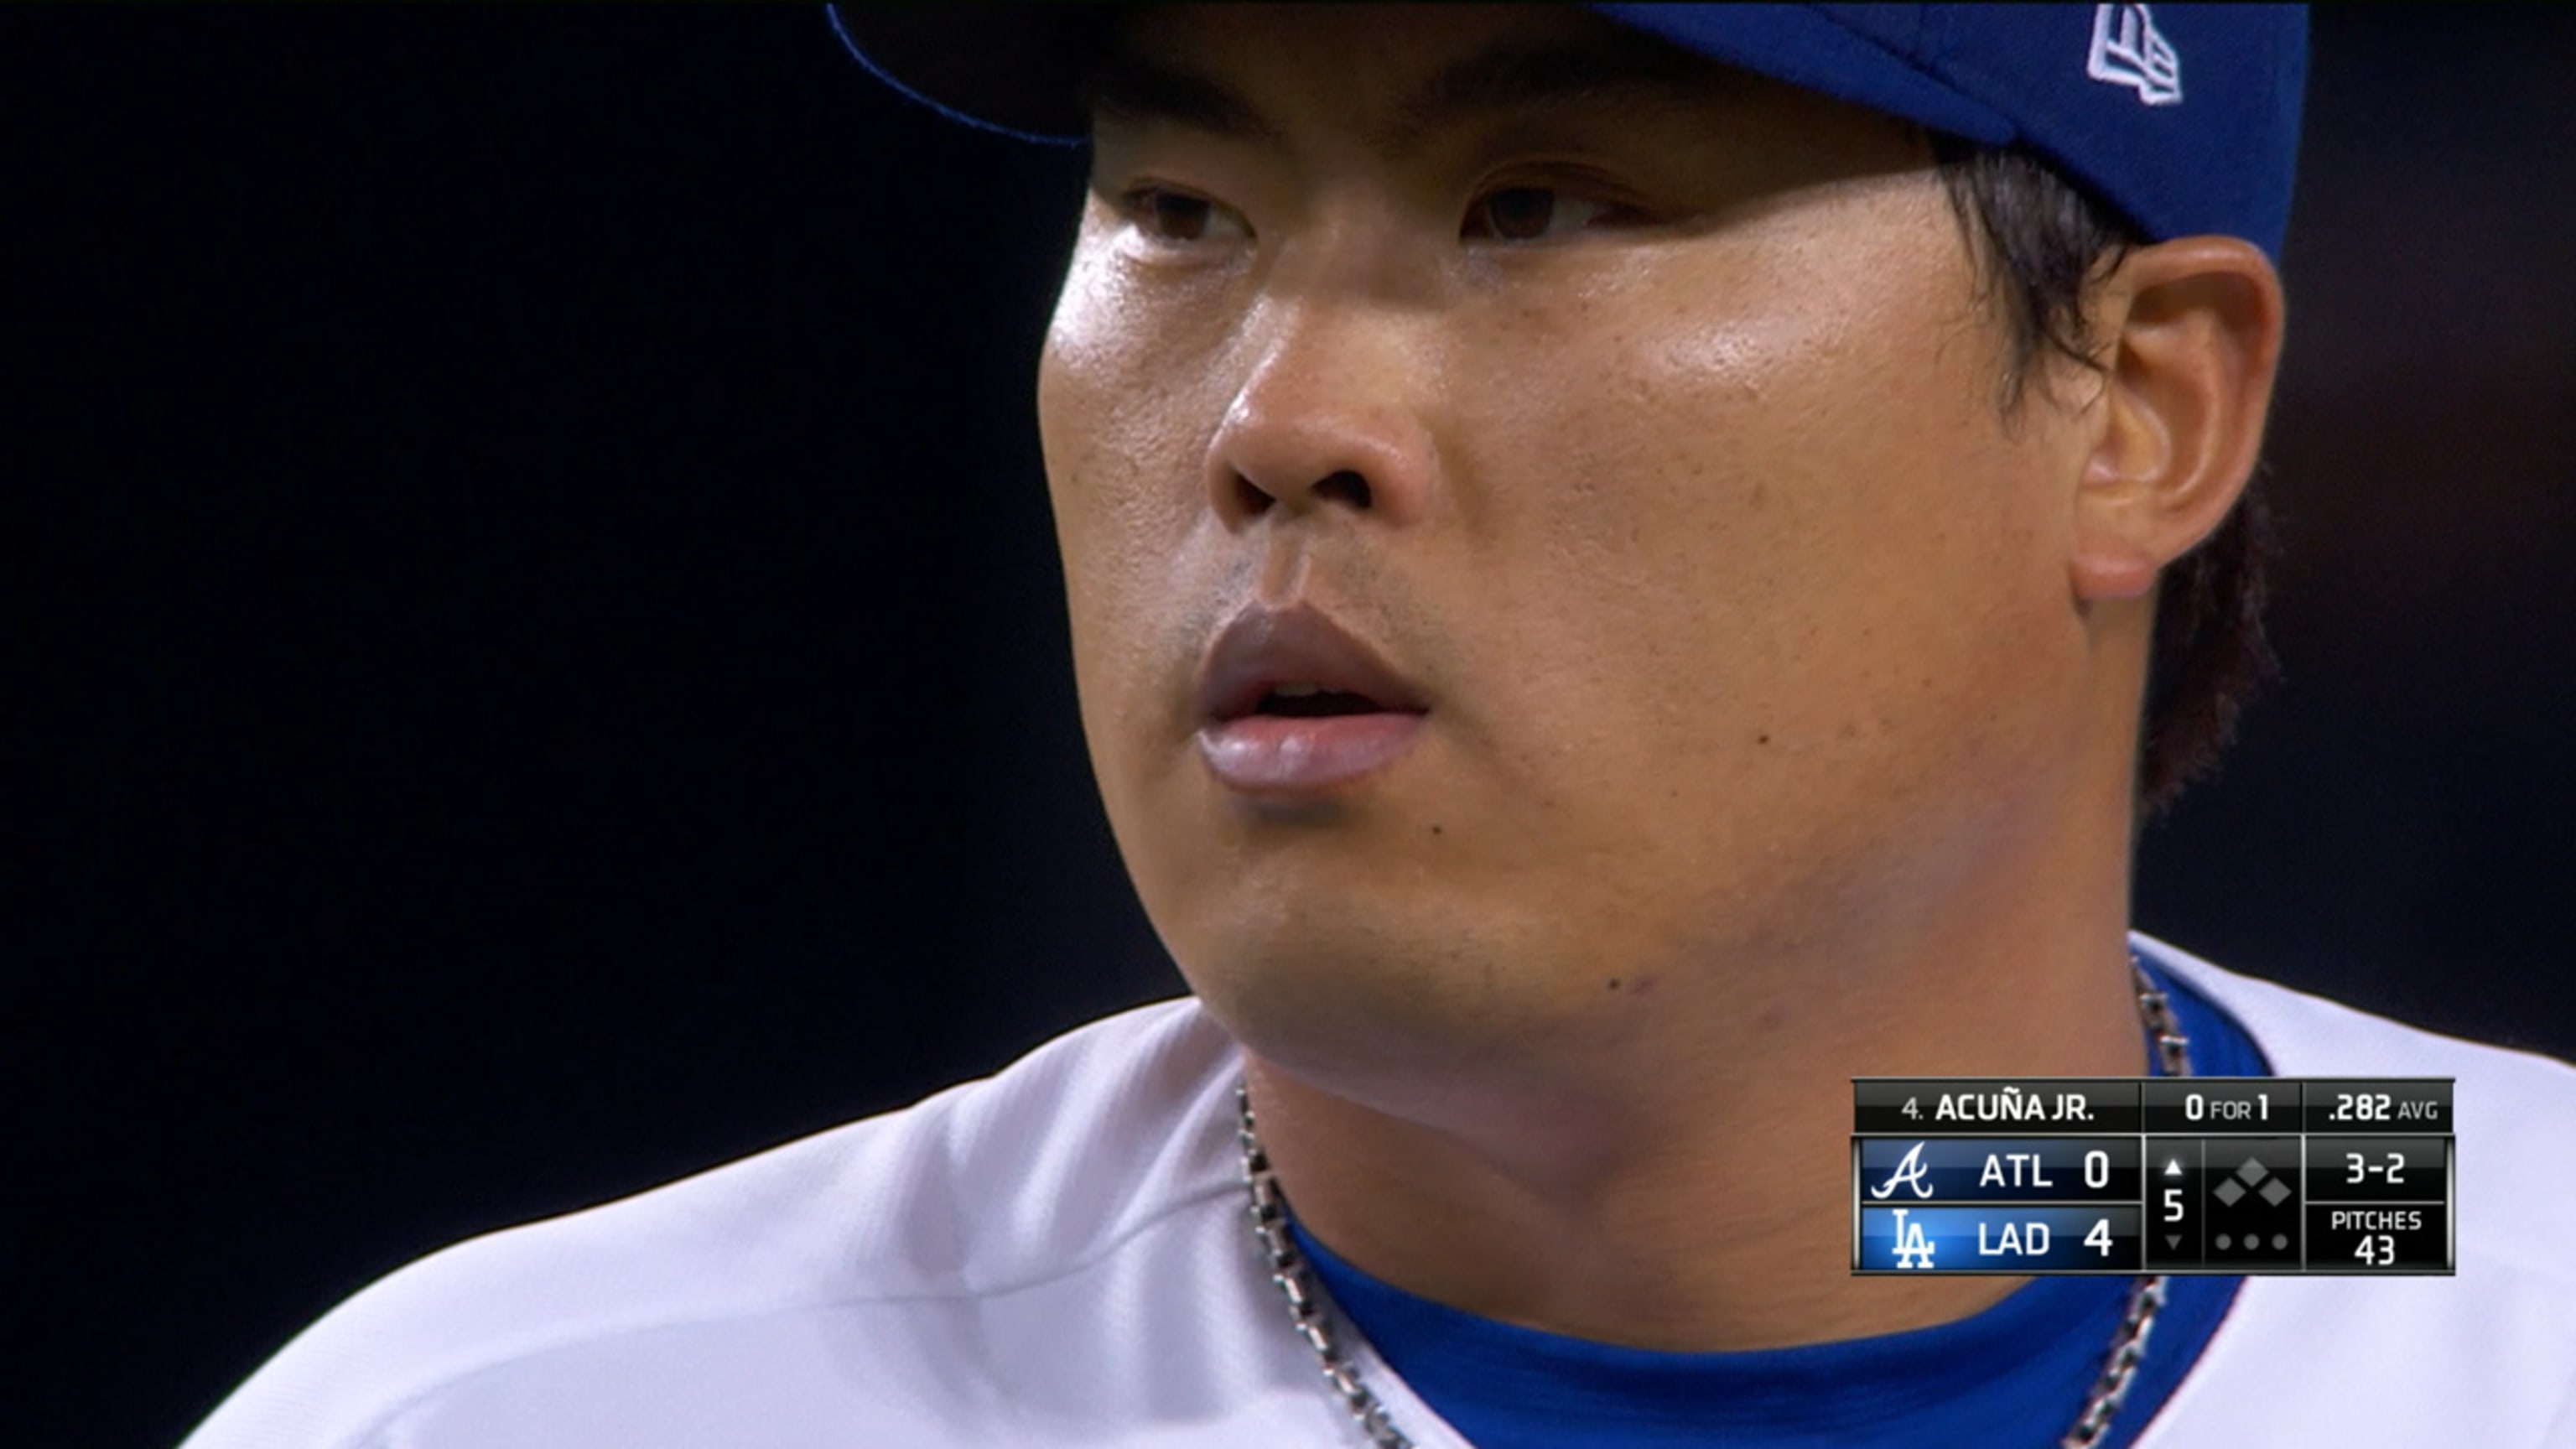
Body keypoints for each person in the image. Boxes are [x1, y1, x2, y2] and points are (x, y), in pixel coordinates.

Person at [181, 6, 2576, 1446]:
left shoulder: (2498, 1262)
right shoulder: (555, 1410)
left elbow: (2123, 1204)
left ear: (2137, 411)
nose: (1276, 417)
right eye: (1183, 208)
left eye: (1538, 204)